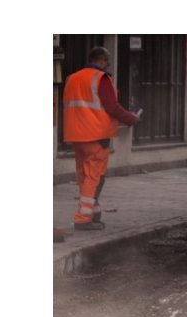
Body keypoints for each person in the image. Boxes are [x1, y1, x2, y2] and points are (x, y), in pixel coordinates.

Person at [62, 46, 140, 231]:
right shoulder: (101, 78)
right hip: (96, 135)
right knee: (94, 178)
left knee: (84, 177)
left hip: (76, 135)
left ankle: (93, 213)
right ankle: (82, 219)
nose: (108, 66)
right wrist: (131, 119)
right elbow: (112, 107)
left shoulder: (72, 78)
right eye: (107, 62)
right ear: (102, 61)